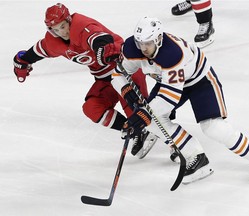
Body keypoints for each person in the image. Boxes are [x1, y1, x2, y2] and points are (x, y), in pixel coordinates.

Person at [111, 16, 249, 184]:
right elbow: (118, 73)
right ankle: (196, 157)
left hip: (199, 81)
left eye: (148, 43)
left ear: (159, 39)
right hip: (168, 82)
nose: (144, 48)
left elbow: (169, 98)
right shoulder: (133, 48)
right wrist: (127, 92)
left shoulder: (172, 53)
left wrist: (141, 115)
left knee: (213, 127)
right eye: (140, 43)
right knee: (152, 120)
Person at [12, 3, 157, 157]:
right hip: (105, 79)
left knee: (137, 111)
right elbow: (39, 51)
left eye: (62, 26)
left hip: (125, 71)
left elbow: (100, 39)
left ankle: (174, 143)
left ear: (68, 20)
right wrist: (22, 61)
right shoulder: (54, 41)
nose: (61, 32)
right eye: (55, 29)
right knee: (92, 108)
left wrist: (103, 49)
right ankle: (132, 130)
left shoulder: (83, 26)